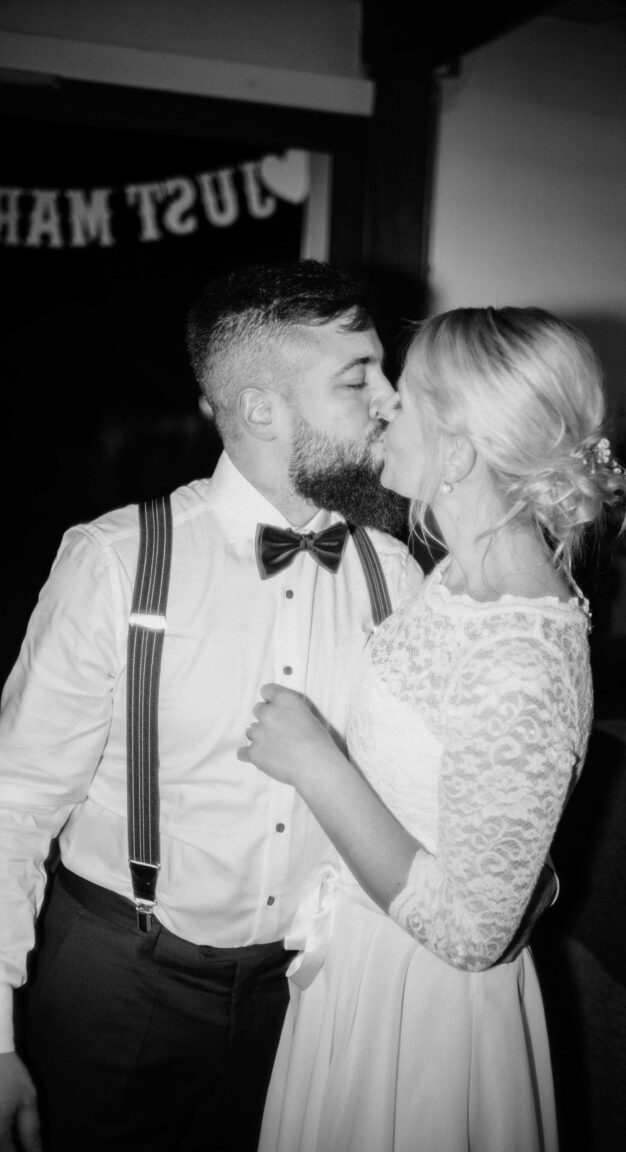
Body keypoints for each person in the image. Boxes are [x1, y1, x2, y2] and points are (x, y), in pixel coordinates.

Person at [0, 259, 423, 1152]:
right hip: (117, 986)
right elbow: (13, 807)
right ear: (264, 408)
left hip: (312, 995)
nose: (390, 399)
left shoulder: (398, 572)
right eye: (360, 377)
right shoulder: (115, 562)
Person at [239, 305, 626, 1152]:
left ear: (457, 452)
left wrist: (317, 765)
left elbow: (471, 931)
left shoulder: (521, 652)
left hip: (421, 1013)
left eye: (406, 396)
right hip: (366, 968)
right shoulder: (456, 577)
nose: (381, 405)